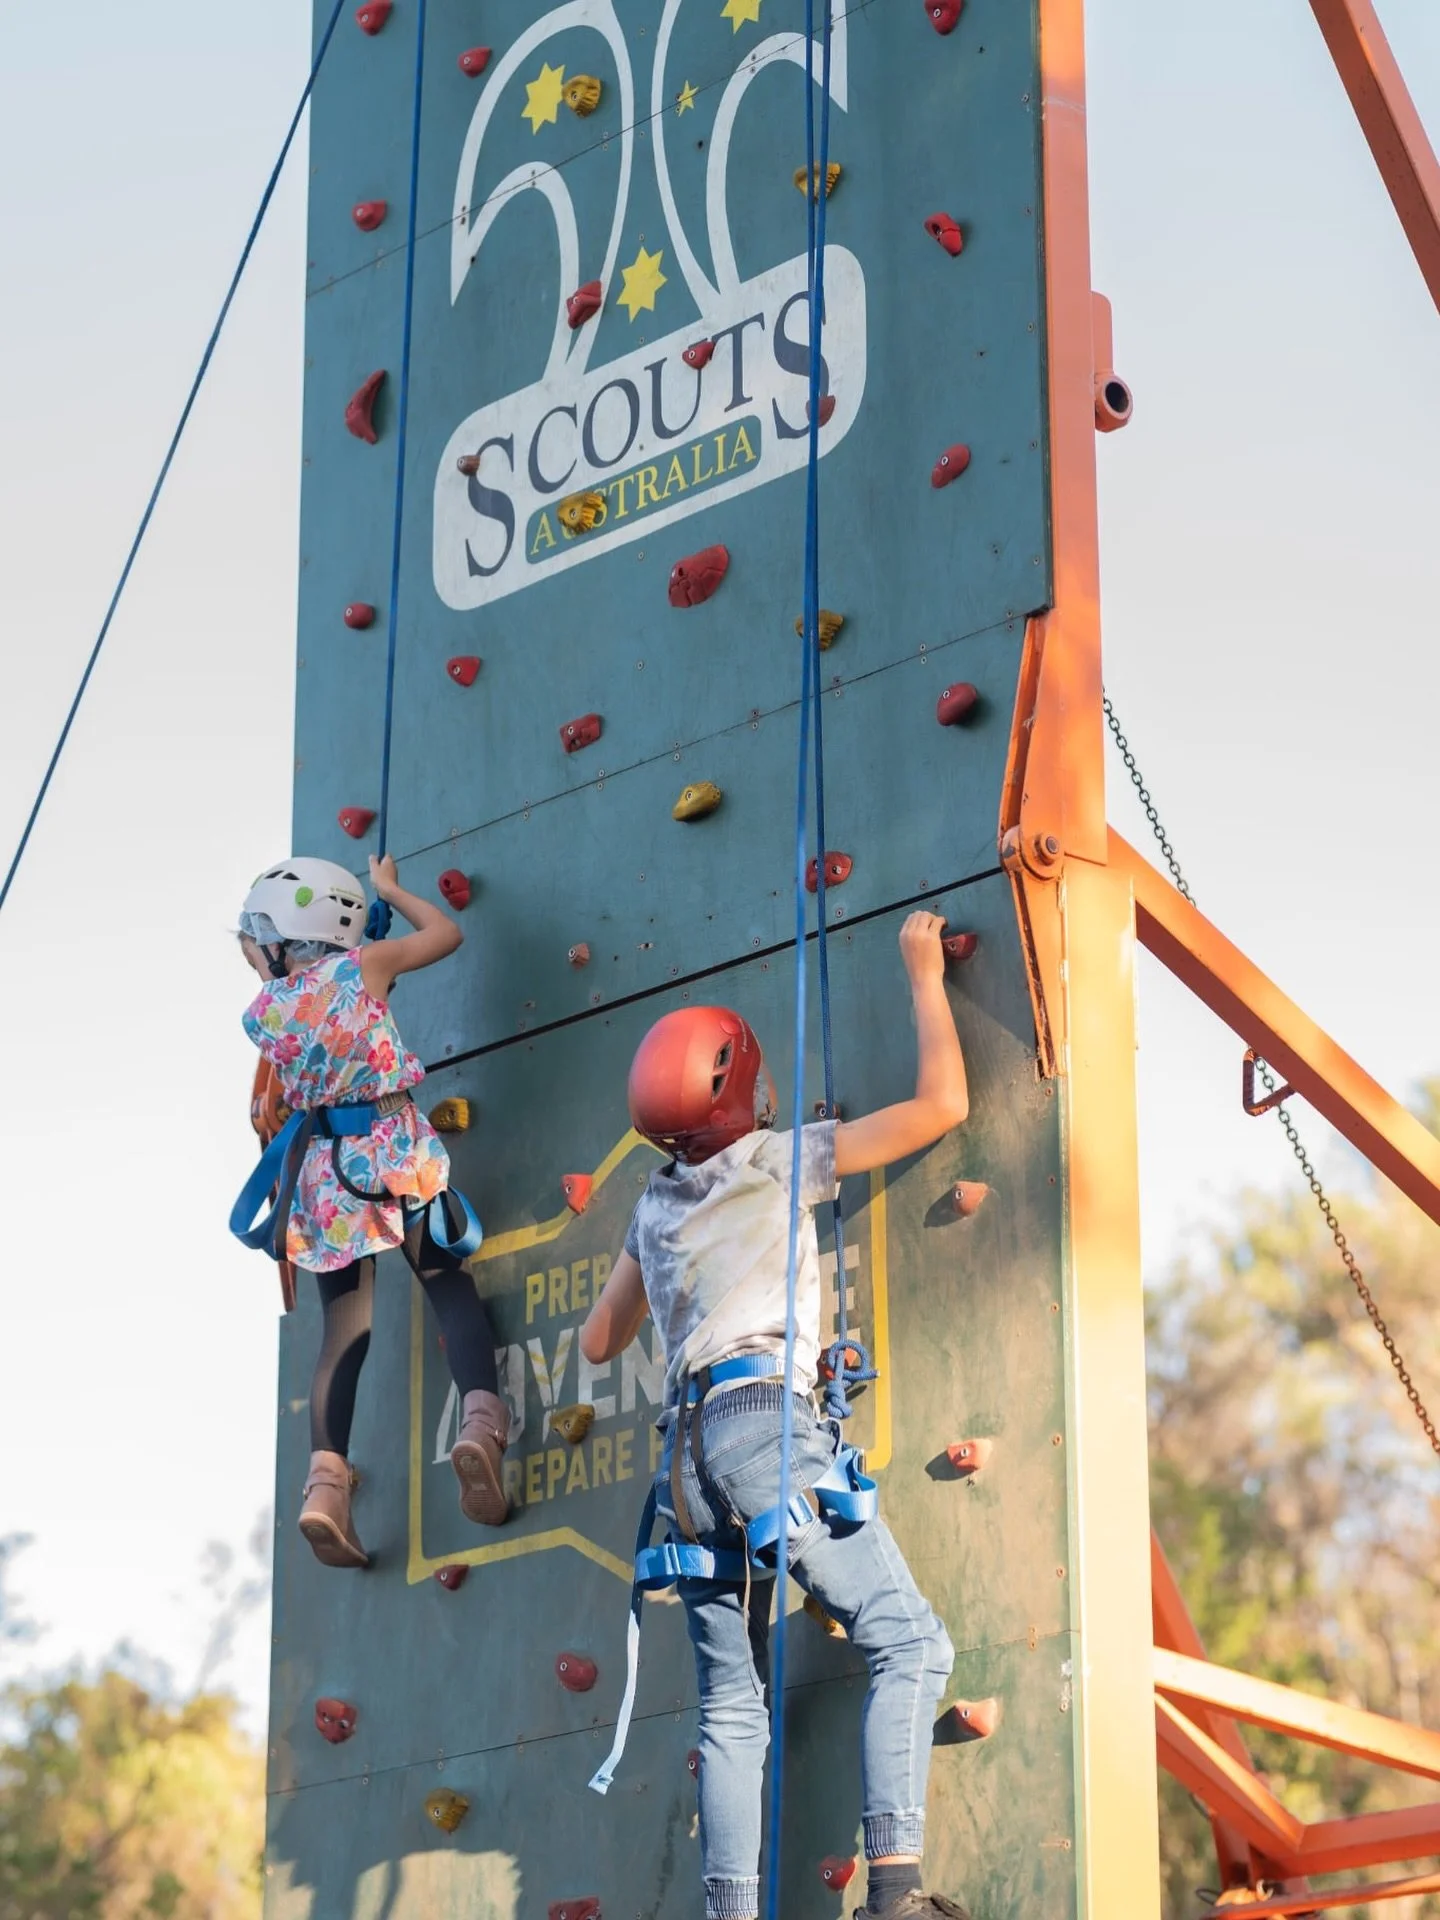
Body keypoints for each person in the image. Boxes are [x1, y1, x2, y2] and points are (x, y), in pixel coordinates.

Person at [580, 910, 972, 1920]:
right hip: (766, 1421)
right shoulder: (775, 1159)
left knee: (733, 1713)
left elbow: (596, 1341)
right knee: (909, 1643)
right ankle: (895, 1894)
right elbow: (942, 1105)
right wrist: (924, 974)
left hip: (684, 1465)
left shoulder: (652, 1205)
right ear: (742, 1090)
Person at [236, 853, 508, 1567]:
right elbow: (446, 935)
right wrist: (390, 894)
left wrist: (352, 949)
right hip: (390, 1148)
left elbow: (290, 984)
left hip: (325, 1173)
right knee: (447, 1285)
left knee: (342, 1330)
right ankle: (481, 1423)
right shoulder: (369, 968)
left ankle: (326, 1486)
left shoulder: (262, 1013)